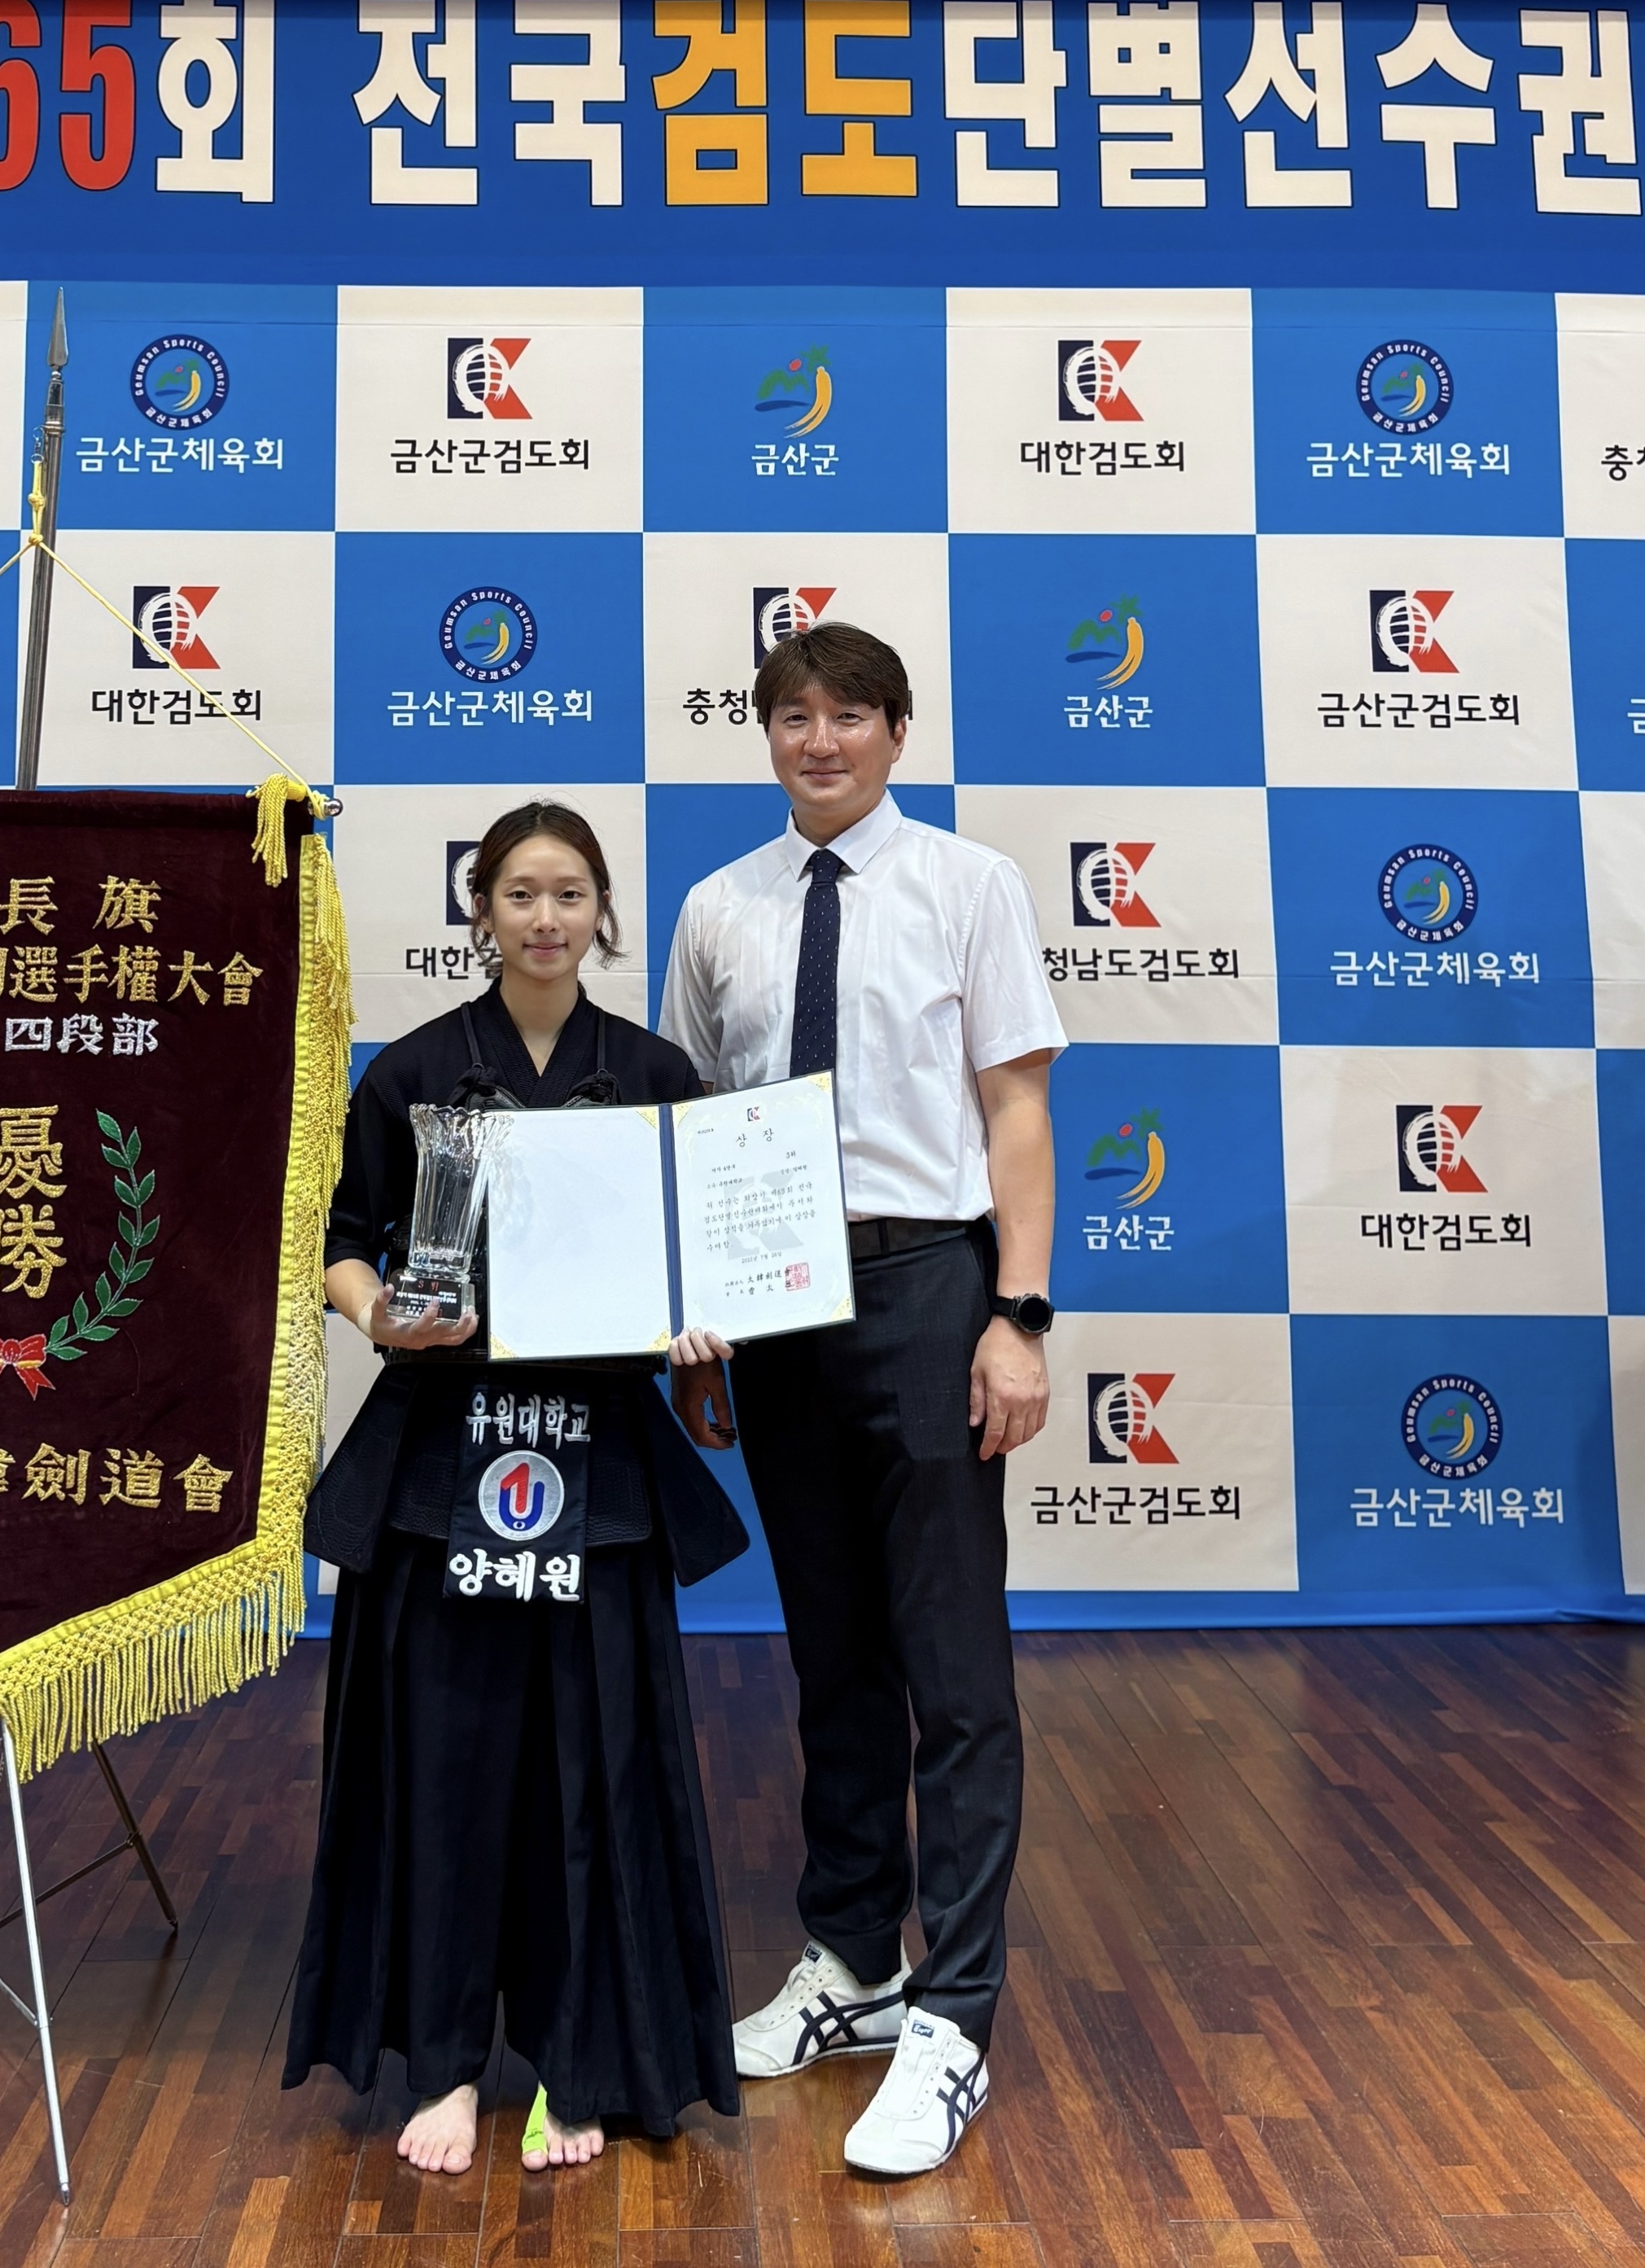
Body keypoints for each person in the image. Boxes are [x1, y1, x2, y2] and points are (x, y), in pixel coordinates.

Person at [286, 799, 746, 2179]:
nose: (546, 919)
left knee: (592, 1769)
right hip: (442, 1459)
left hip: (597, 1465)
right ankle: (439, 2061)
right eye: (520, 894)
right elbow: (341, 1245)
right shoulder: (415, 1073)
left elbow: (711, 1253)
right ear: (478, 910)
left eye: (570, 895)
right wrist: (380, 1315)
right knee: (445, 1762)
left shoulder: (655, 1074)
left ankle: (578, 2061)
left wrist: (706, 1320)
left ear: (602, 914)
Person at [659, 622, 1062, 2180]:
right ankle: (850, 1963)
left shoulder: (968, 885)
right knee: (830, 1656)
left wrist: (1016, 1315)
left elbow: (1014, 1111)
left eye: (847, 716)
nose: (817, 741)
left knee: (951, 1669)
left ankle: (952, 2012)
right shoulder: (720, 908)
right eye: (791, 717)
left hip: (926, 1289)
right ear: (764, 735)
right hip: (771, 1305)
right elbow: (697, 1128)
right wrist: (697, 1328)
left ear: (897, 731)